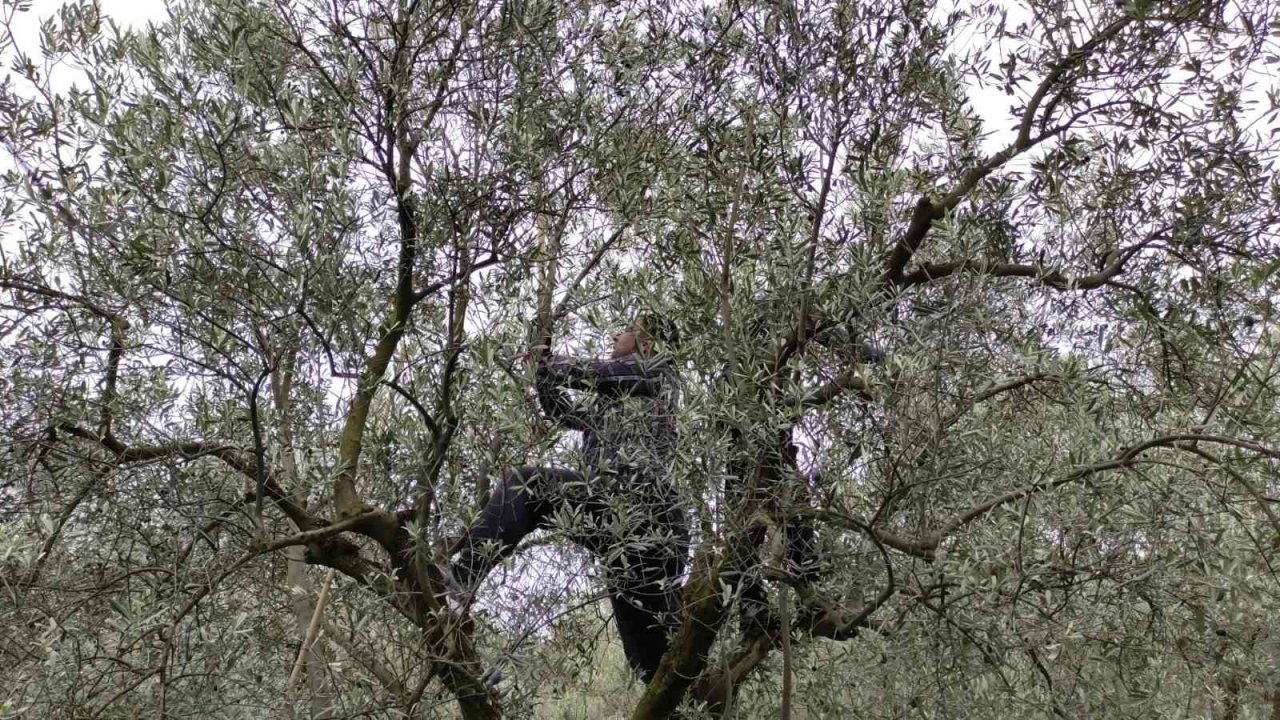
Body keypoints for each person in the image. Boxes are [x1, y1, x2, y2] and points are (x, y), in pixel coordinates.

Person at [447, 314, 689, 683]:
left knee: (525, 485)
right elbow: (560, 410)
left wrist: (549, 361)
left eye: (624, 330)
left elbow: (592, 373)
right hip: (628, 535)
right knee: (655, 668)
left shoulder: (657, 371)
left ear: (647, 343)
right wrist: (540, 367)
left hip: (642, 508)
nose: (614, 333)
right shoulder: (616, 404)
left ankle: (458, 581)